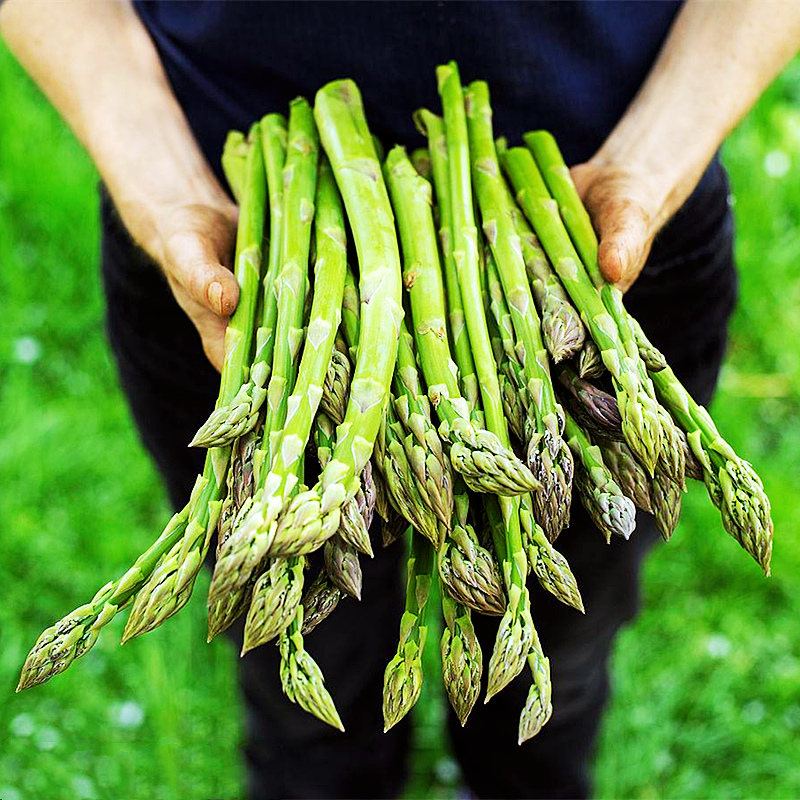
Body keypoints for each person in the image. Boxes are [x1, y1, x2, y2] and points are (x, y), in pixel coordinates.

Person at [2, 2, 798, 798]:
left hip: (590, 247)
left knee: (554, 669)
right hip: (236, 251)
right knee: (304, 699)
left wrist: (652, 165)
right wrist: (158, 182)